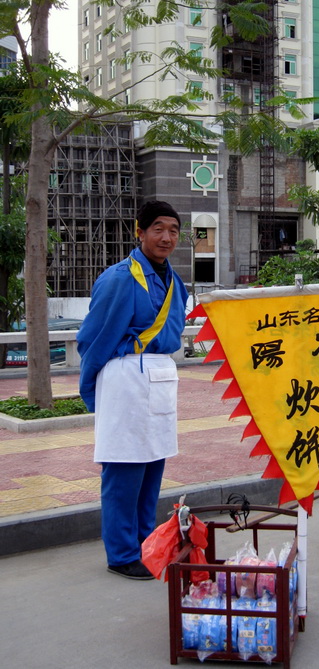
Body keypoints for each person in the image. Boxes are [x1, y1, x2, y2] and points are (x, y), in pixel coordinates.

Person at [77, 200, 188, 580]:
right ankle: (122, 553)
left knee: (153, 465)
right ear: (138, 232)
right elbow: (93, 340)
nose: (166, 237)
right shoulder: (119, 278)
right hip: (126, 376)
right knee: (124, 468)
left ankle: (145, 544)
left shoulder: (176, 281)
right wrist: (92, 388)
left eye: (173, 230)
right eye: (157, 228)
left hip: (159, 376)